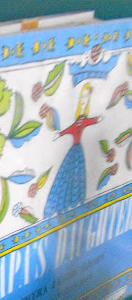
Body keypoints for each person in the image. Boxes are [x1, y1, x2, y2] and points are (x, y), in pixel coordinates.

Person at [44, 83, 101, 217]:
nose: (84, 101)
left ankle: (74, 202)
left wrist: (97, 119)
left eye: (86, 98)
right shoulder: (78, 122)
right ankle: (63, 204)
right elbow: (70, 129)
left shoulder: (83, 120)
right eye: (83, 98)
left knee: (77, 176)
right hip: (74, 150)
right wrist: (60, 134)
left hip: (78, 150)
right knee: (67, 175)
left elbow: (90, 121)